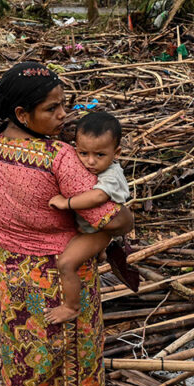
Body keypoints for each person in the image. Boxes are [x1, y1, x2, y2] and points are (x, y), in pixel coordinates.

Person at [0, 62, 134, 386]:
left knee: (23, 364)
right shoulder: (59, 158)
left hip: (12, 274)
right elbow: (111, 219)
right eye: (53, 108)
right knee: (74, 362)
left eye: (65, 105)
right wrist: (125, 218)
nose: (64, 116)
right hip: (63, 274)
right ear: (23, 115)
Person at [46, 111, 132, 323]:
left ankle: (71, 307)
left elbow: (97, 197)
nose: (90, 161)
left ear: (116, 152)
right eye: (83, 153)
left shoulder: (111, 175)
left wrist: (66, 203)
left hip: (99, 232)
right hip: (91, 228)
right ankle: (101, 254)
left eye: (100, 155)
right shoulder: (85, 165)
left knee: (66, 263)